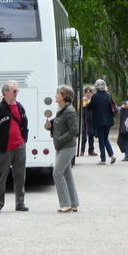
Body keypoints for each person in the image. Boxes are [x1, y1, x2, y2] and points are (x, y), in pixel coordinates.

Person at [0, 80, 29, 212]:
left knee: (20, 176)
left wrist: (24, 140)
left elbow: (25, 124)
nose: (16, 93)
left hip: (19, 146)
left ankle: (20, 203)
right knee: (1, 176)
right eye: (14, 91)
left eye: (17, 91)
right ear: (5, 92)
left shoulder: (20, 107)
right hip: (3, 148)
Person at [49, 84, 80, 213]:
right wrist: (50, 126)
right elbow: (61, 127)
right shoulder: (61, 109)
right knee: (67, 174)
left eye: (58, 93)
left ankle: (65, 204)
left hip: (67, 146)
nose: (55, 95)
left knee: (57, 173)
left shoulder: (69, 111)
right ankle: (73, 203)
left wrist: (59, 140)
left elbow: (74, 130)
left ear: (64, 96)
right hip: (61, 146)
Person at [86, 79, 116, 164]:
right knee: (105, 138)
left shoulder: (95, 97)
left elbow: (90, 108)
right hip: (108, 120)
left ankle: (103, 159)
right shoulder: (108, 95)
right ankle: (112, 154)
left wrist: (88, 104)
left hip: (99, 120)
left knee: (101, 140)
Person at [117, 89, 128, 162]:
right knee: (126, 140)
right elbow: (119, 110)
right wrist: (121, 108)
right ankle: (126, 156)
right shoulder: (126, 103)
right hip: (127, 124)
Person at [79, 87, 96, 156]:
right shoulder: (82, 100)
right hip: (85, 120)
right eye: (87, 92)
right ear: (85, 93)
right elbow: (78, 108)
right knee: (84, 136)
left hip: (92, 119)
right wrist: (83, 106)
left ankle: (91, 150)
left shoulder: (93, 100)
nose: (88, 94)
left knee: (91, 135)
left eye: (90, 92)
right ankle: (82, 150)